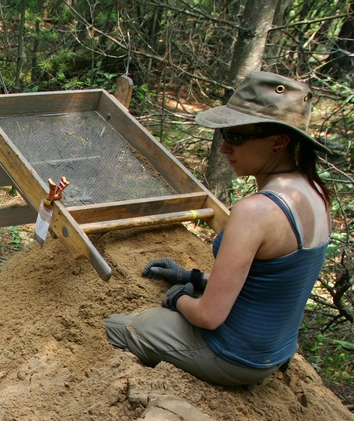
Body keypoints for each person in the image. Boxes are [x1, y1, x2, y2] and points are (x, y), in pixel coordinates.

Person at [104, 71, 331, 387]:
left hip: (233, 356)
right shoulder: (314, 193)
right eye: (225, 134)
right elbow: (267, 283)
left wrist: (178, 298)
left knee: (114, 326)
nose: (224, 148)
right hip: (272, 352)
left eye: (236, 137)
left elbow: (208, 316)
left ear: (279, 142)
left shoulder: (257, 211)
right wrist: (192, 278)